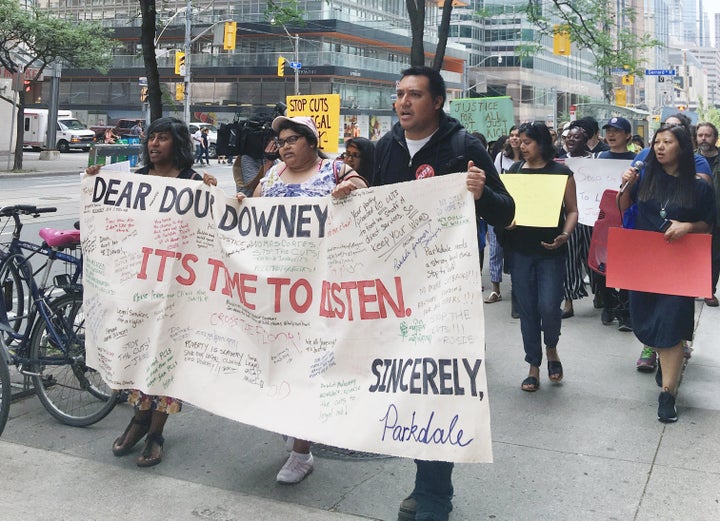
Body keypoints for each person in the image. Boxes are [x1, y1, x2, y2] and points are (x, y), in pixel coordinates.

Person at [368, 65, 514, 521]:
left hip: (446, 293)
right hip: (393, 290)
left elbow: (507, 212)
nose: (403, 103)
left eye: (414, 94)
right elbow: (373, 205)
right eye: (398, 95)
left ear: (438, 101)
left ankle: (434, 494)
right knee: (403, 387)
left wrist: (481, 193)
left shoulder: (463, 146)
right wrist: (352, 192)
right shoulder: (383, 147)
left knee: (435, 387)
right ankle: (424, 481)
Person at [237, 115, 367, 484]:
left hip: (318, 290)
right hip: (276, 290)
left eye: (294, 139)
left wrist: (349, 190)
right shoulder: (274, 175)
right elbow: (250, 213)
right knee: (280, 362)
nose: (286, 146)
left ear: (312, 142)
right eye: (281, 141)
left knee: (306, 367)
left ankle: (301, 451)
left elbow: (365, 194)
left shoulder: (335, 170)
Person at [86, 117, 217, 466]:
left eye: (163, 138)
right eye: (151, 138)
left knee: (166, 361)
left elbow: (211, 234)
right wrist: (95, 183)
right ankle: (138, 420)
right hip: (140, 287)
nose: (155, 144)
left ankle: (155, 432)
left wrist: (215, 195)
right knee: (138, 354)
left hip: (177, 291)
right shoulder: (136, 181)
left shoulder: (193, 183)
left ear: (178, 143)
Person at [617, 124, 715, 423]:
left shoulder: (698, 185)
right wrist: (625, 185)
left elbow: (709, 224)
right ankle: (662, 357)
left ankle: (668, 394)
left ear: (682, 147)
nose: (659, 147)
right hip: (644, 262)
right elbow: (623, 208)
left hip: (679, 265)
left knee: (671, 323)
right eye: (656, 142)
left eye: (667, 142)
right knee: (646, 320)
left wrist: (688, 226)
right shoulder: (644, 177)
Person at [502, 121, 578, 393]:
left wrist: (565, 235)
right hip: (521, 251)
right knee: (528, 311)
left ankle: (552, 348)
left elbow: (572, 211)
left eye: (527, 142)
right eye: (519, 142)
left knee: (548, 306)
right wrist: (506, 221)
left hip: (551, 251)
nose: (521, 147)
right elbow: (506, 207)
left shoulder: (561, 172)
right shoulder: (514, 171)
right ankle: (533, 364)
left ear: (542, 144)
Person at [597, 117, 637, 332]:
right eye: (609, 131)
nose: (611, 135)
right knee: (603, 265)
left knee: (625, 266)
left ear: (627, 135)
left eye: (617, 131)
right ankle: (608, 303)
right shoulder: (600, 157)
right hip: (605, 219)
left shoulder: (635, 159)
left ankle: (625, 309)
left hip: (627, 220)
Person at [557, 123, 594, 319]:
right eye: (568, 137)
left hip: (590, 217)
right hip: (568, 216)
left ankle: (601, 294)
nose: (570, 140)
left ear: (585, 140)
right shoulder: (560, 162)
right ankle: (568, 301)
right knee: (569, 259)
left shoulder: (596, 161)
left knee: (592, 257)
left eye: (576, 137)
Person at [486, 126, 521, 305]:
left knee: (516, 250)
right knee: (495, 250)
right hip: (500, 207)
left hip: (521, 209)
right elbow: (494, 180)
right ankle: (496, 289)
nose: (514, 138)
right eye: (512, 135)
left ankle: (518, 287)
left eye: (518, 135)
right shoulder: (501, 157)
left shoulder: (528, 159)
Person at [695, 122, 720, 307]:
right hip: (694, 216)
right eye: (700, 135)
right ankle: (691, 286)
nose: (703, 138)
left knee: (715, 255)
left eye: (708, 135)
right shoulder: (689, 160)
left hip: (717, 216)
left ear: (715, 138)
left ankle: (708, 290)